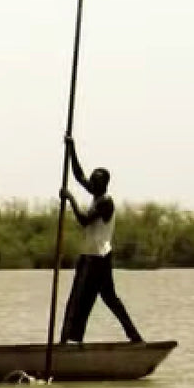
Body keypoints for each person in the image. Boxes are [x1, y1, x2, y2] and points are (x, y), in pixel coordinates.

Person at [59, 136, 143, 343]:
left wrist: (69, 199)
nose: (91, 182)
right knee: (107, 298)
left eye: (95, 181)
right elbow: (78, 176)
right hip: (95, 255)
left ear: (103, 184)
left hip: (95, 257)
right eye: (92, 180)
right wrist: (71, 149)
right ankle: (134, 336)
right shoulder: (97, 196)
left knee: (79, 298)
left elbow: (84, 221)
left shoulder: (105, 202)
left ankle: (65, 341)